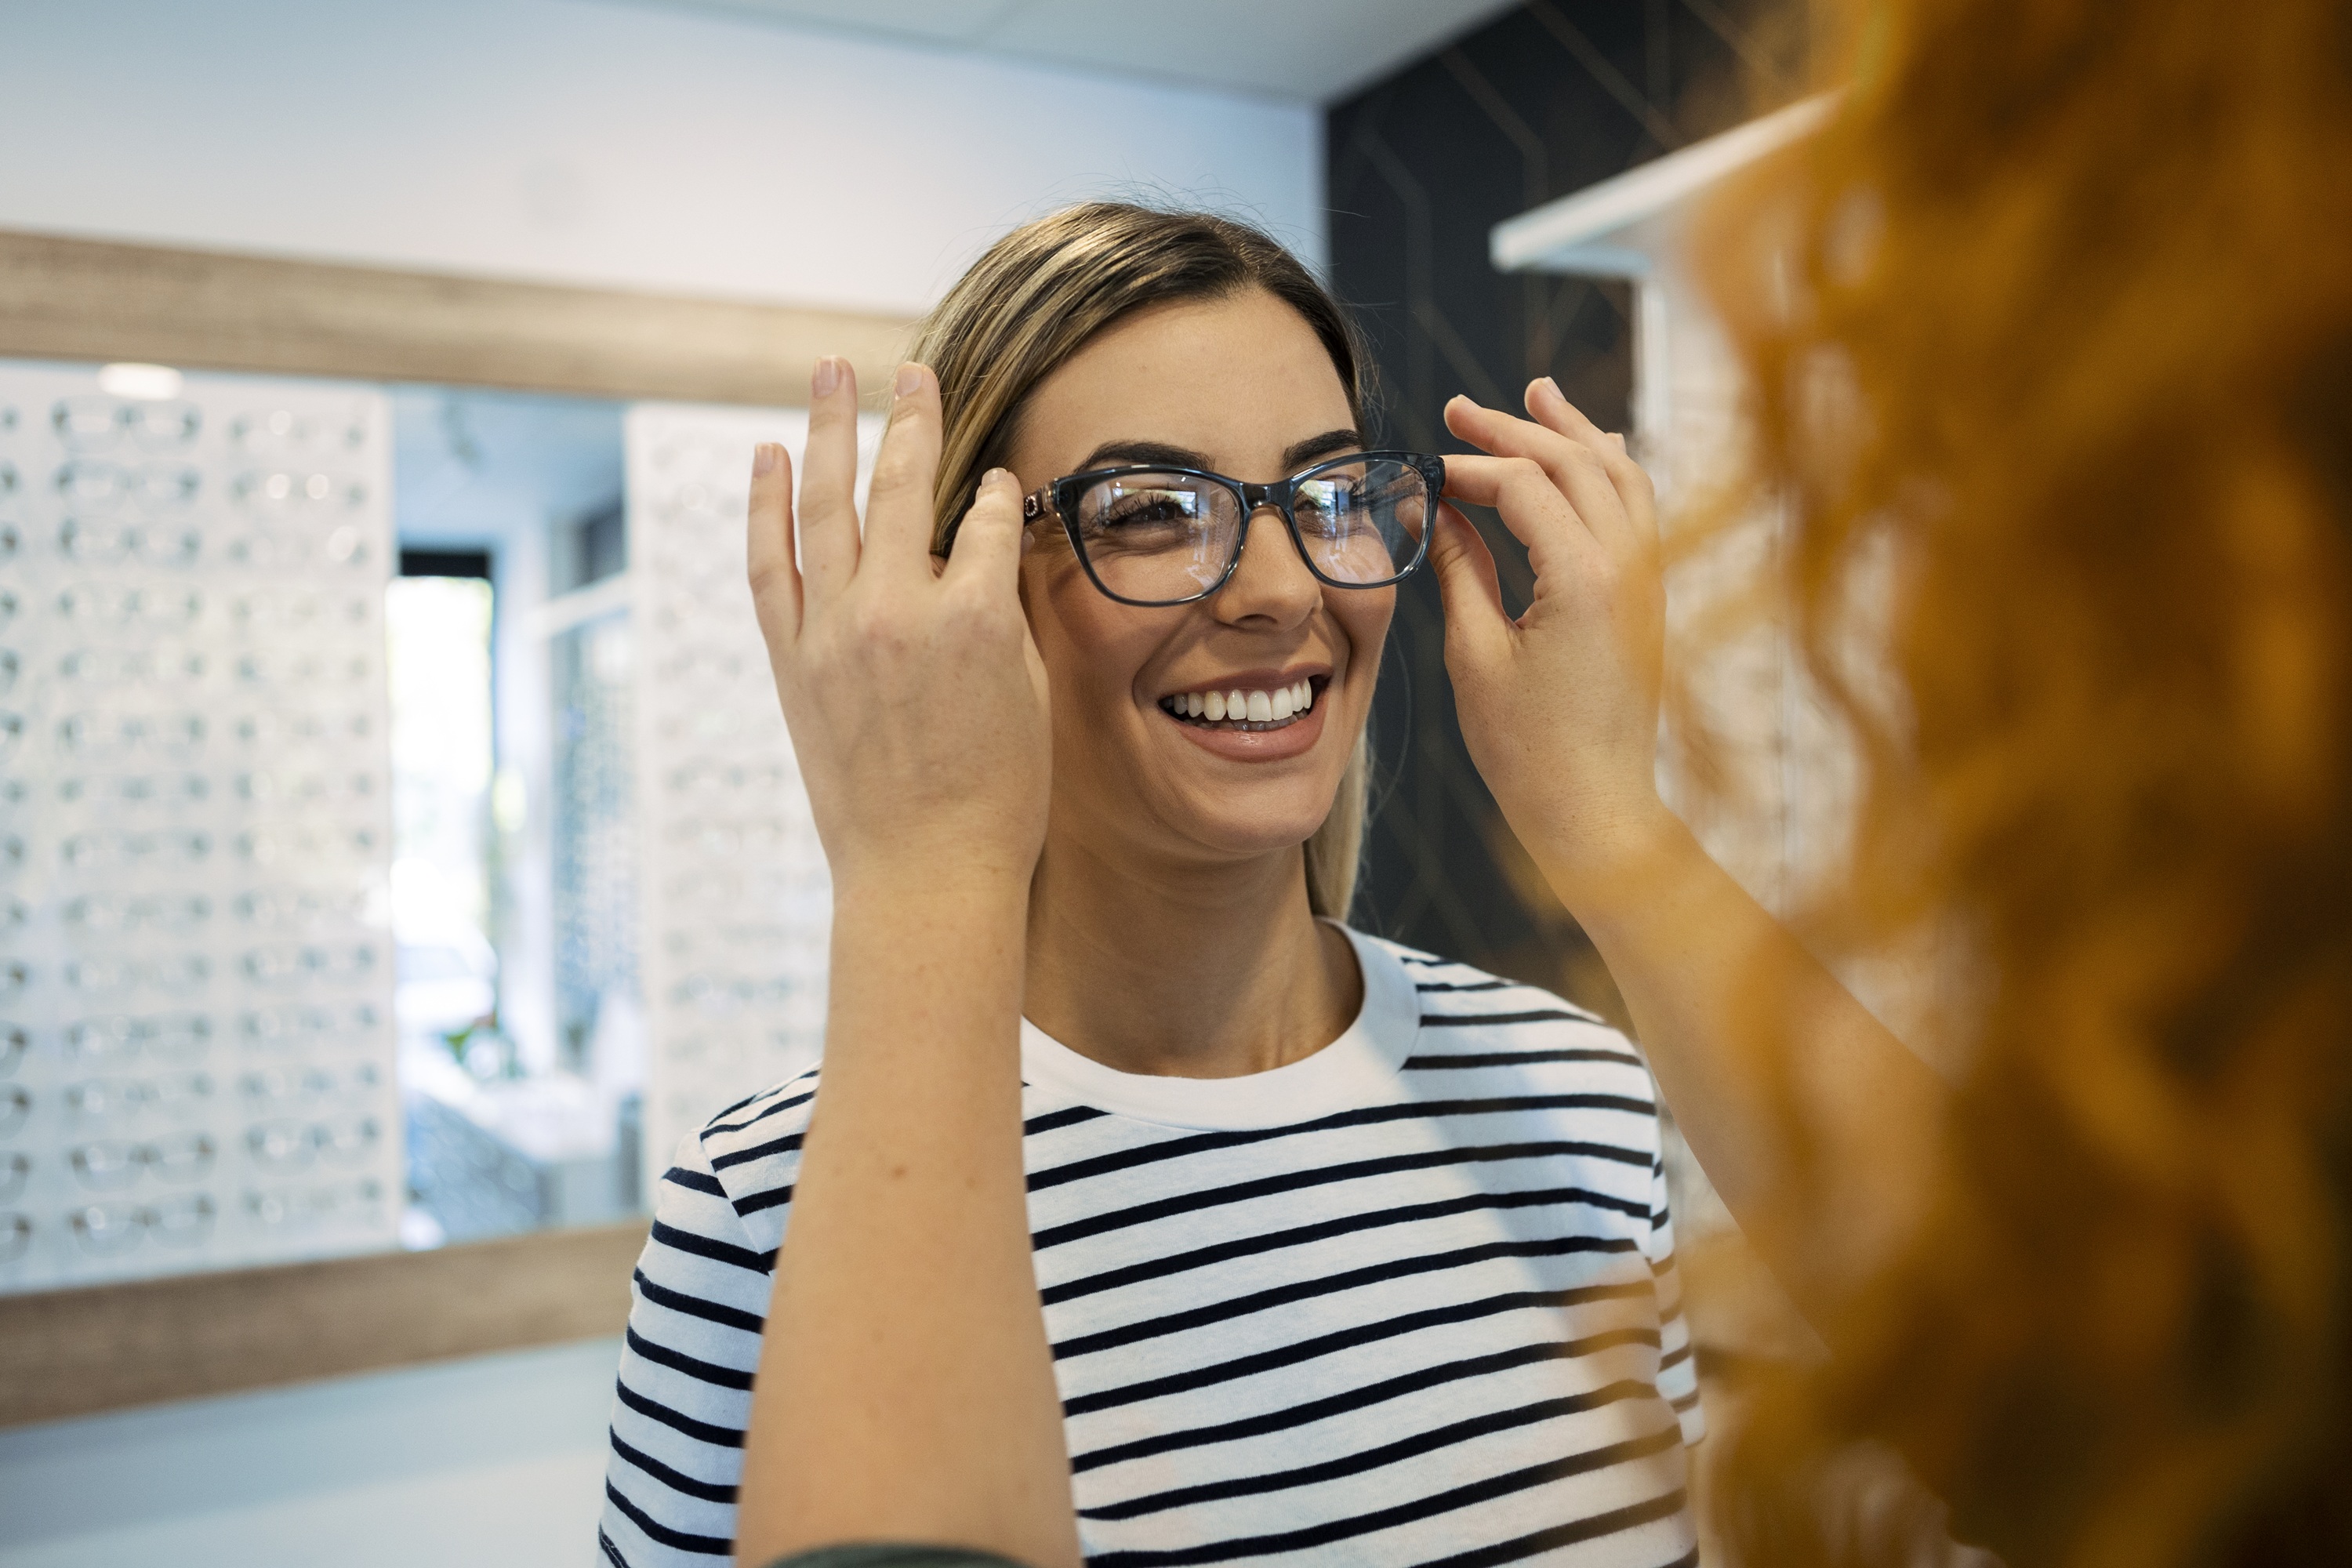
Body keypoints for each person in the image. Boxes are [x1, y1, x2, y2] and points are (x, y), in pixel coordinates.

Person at [599, 208, 1708, 1568]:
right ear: (958, 593)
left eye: (1330, 496)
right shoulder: (757, 1215)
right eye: (1150, 513)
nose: (1274, 586)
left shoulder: (1577, 1095)